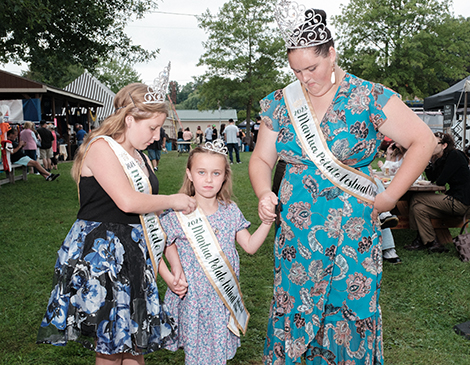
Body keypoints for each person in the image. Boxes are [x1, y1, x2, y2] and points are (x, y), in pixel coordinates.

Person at [248, 4, 435, 364]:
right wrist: (262, 191)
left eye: (312, 67)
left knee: (347, 309)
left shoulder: (369, 97)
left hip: (351, 232)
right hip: (298, 235)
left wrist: (391, 196)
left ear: (332, 54)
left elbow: (423, 141)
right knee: (295, 305)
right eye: (296, 70)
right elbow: (261, 159)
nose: (306, 78)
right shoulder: (281, 103)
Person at [37, 77, 198, 365]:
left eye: (160, 127)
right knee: (110, 347)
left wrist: (171, 266)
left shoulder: (142, 158)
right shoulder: (101, 147)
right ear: (129, 120)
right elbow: (127, 201)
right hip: (103, 256)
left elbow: (150, 213)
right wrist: (174, 200)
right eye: (152, 127)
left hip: (135, 253)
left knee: (136, 342)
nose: (158, 135)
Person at [159, 140, 274, 365]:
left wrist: (267, 222)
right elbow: (162, 243)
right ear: (189, 174)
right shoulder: (179, 212)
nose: (209, 179)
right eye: (201, 172)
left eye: (216, 173)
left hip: (221, 300)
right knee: (196, 357)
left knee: (218, 356)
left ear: (225, 176)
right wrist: (174, 268)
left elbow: (249, 246)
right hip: (193, 300)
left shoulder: (231, 211)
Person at [405, 132, 470, 253]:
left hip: (462, 202)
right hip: (454, 198)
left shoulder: (455, 155)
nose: (430, 146)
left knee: (416, 197)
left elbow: (440, 181)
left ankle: (419, 239)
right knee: (419, 208)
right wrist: (429, 161)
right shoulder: (442, 159)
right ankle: (432, 242)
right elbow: (432, 178)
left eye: (434, 143)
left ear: (444, 145)